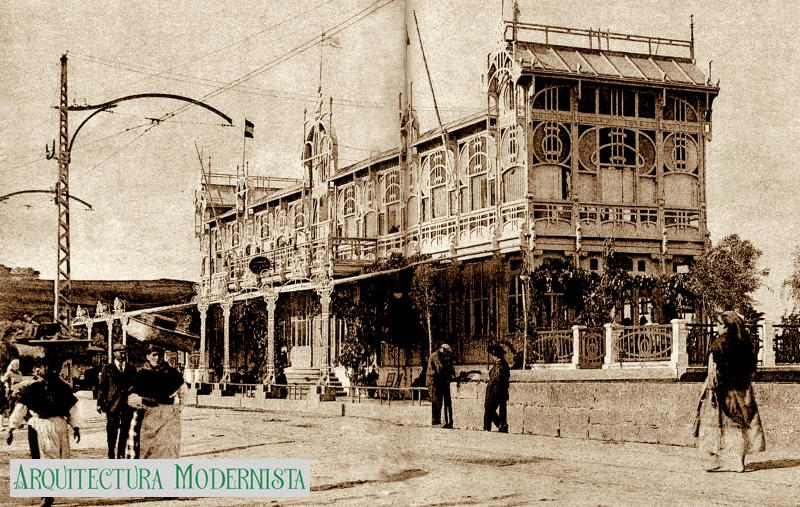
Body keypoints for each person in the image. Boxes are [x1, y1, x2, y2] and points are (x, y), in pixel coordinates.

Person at [4, 356, 81, 507]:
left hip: (57, 425)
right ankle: (46, 494)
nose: (37, 370)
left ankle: (49, 492)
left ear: (51, 369)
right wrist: (11, 427)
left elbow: (72, 409)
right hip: (38, 425)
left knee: (57, 459)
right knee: (39, 458)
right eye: (37, 367)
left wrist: (76, 427)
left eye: (41, 367)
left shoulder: (62, 387)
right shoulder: (32, 387)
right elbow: (21, 408)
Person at [695, 311, 765, 472]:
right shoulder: (745, 343)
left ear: (726, 326)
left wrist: (711, 389)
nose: (717, 327)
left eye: (719, 324)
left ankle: (713, 459)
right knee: (740, 423)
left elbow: (713, 371)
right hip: (743, 389)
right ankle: (739, 461)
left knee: (713, 424)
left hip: (722, 389)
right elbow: (752, 370)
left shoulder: (718, 343)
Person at [125, 344, 185, 459]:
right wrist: (142, 400)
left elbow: (185, 393)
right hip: (146, 417)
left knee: (167, 449)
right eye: (154, 355)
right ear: (147, 356)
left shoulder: (172, 373)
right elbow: (130, 397)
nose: (157, 358)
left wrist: (177, 408)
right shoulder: (141, 374)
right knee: (144, 449)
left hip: (167, 418)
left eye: (160, 355)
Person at [97, 344, 136, 459]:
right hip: (112, 404)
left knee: (125, 430)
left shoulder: (131, 368)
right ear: (114, 353)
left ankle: (121, 453)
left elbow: (135, 385)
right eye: (120, 352)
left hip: (127, 404)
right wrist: (99, 403)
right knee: (112, 430)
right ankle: (111, 452)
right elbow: (102, 387)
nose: (123, 355)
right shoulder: (107, 368)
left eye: (124, 352)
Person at [426, 343, 455, 428]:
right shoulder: (436, 356)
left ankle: (437, 421)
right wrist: (449, 375)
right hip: (433, 382)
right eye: (447, 352)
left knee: (439, 401)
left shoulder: (441, 356)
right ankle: (435, 422)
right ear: (443, 349)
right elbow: (440, 369)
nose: (447, 355)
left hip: (437, 382)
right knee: (436, 402)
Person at [484, 345, 510, 433]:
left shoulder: (501, 365)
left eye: (494, 355)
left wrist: (490, 382)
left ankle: (491, 426)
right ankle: (501, 425)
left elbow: (497, 377)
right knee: (496, 409)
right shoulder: (500, 364)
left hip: (497, 391)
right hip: (499, 390)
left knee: (489, 408)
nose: (493, 357)